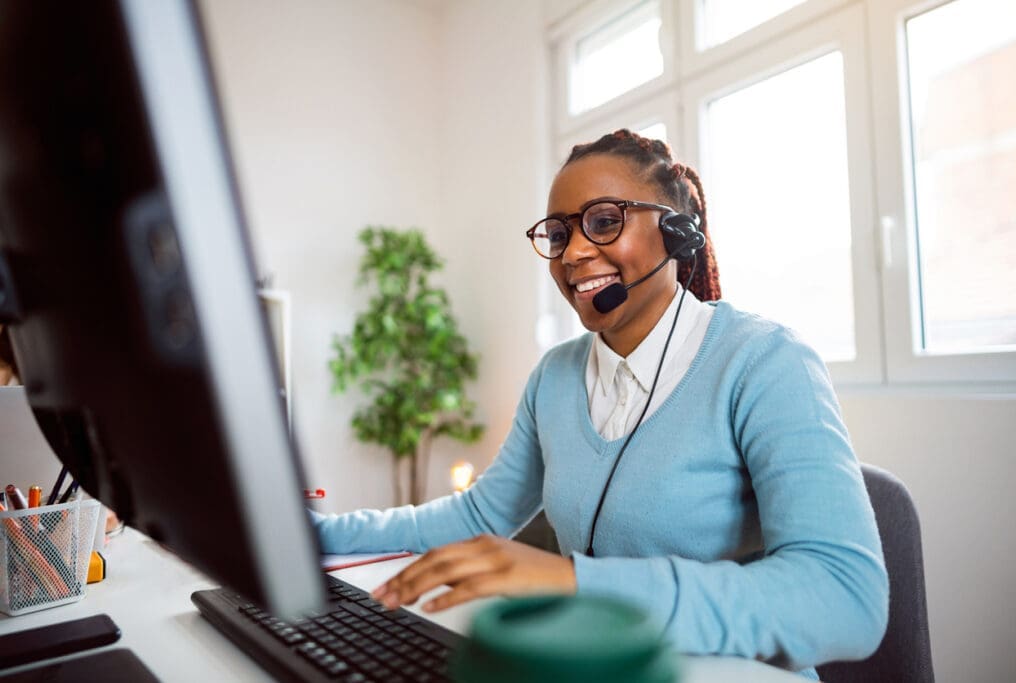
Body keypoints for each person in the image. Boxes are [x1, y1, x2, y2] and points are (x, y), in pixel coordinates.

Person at [312, 129, 888, 678]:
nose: (574, 253)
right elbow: (476, 517)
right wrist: (314, 533)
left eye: (605, 222)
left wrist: (574, 582)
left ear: (677, 234)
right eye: (560, 235)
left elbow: (843, 596)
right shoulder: (556, 376)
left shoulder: (764, 361)